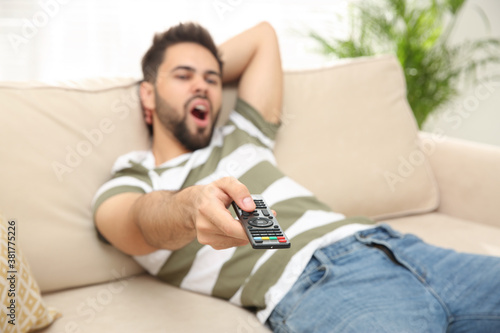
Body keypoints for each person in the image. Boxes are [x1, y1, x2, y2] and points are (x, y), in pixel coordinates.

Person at [92, 21, 500, 332]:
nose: (201, 86)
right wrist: (189, 206)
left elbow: (263, 37)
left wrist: (196, 70)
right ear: (147, 94)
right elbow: (135, 222)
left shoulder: (242, 137)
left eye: (212, 79)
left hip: (396, 246)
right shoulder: (134, 178)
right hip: (319, 283)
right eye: (183, 76)